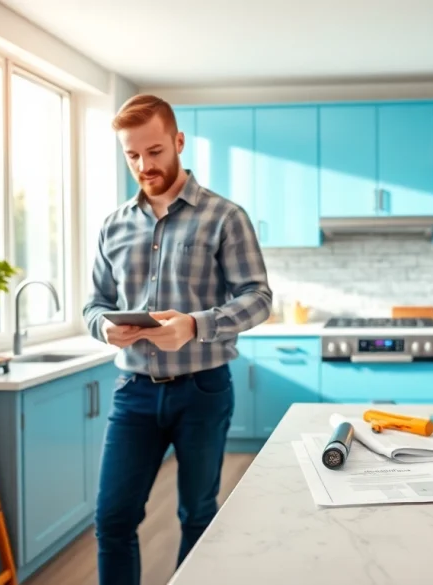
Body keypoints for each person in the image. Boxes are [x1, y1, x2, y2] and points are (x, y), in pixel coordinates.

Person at [83, 93, 272, 584]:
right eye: (133, 155)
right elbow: (93, 304)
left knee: (198, 517)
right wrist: (104, 326)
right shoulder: (113, 225)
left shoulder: (225, 217)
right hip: (134, 394)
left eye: (155, 151)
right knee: (112, 519)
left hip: (202, 389)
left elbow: (258, 297)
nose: (145, 165)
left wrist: (194, 325)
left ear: (178, 142)